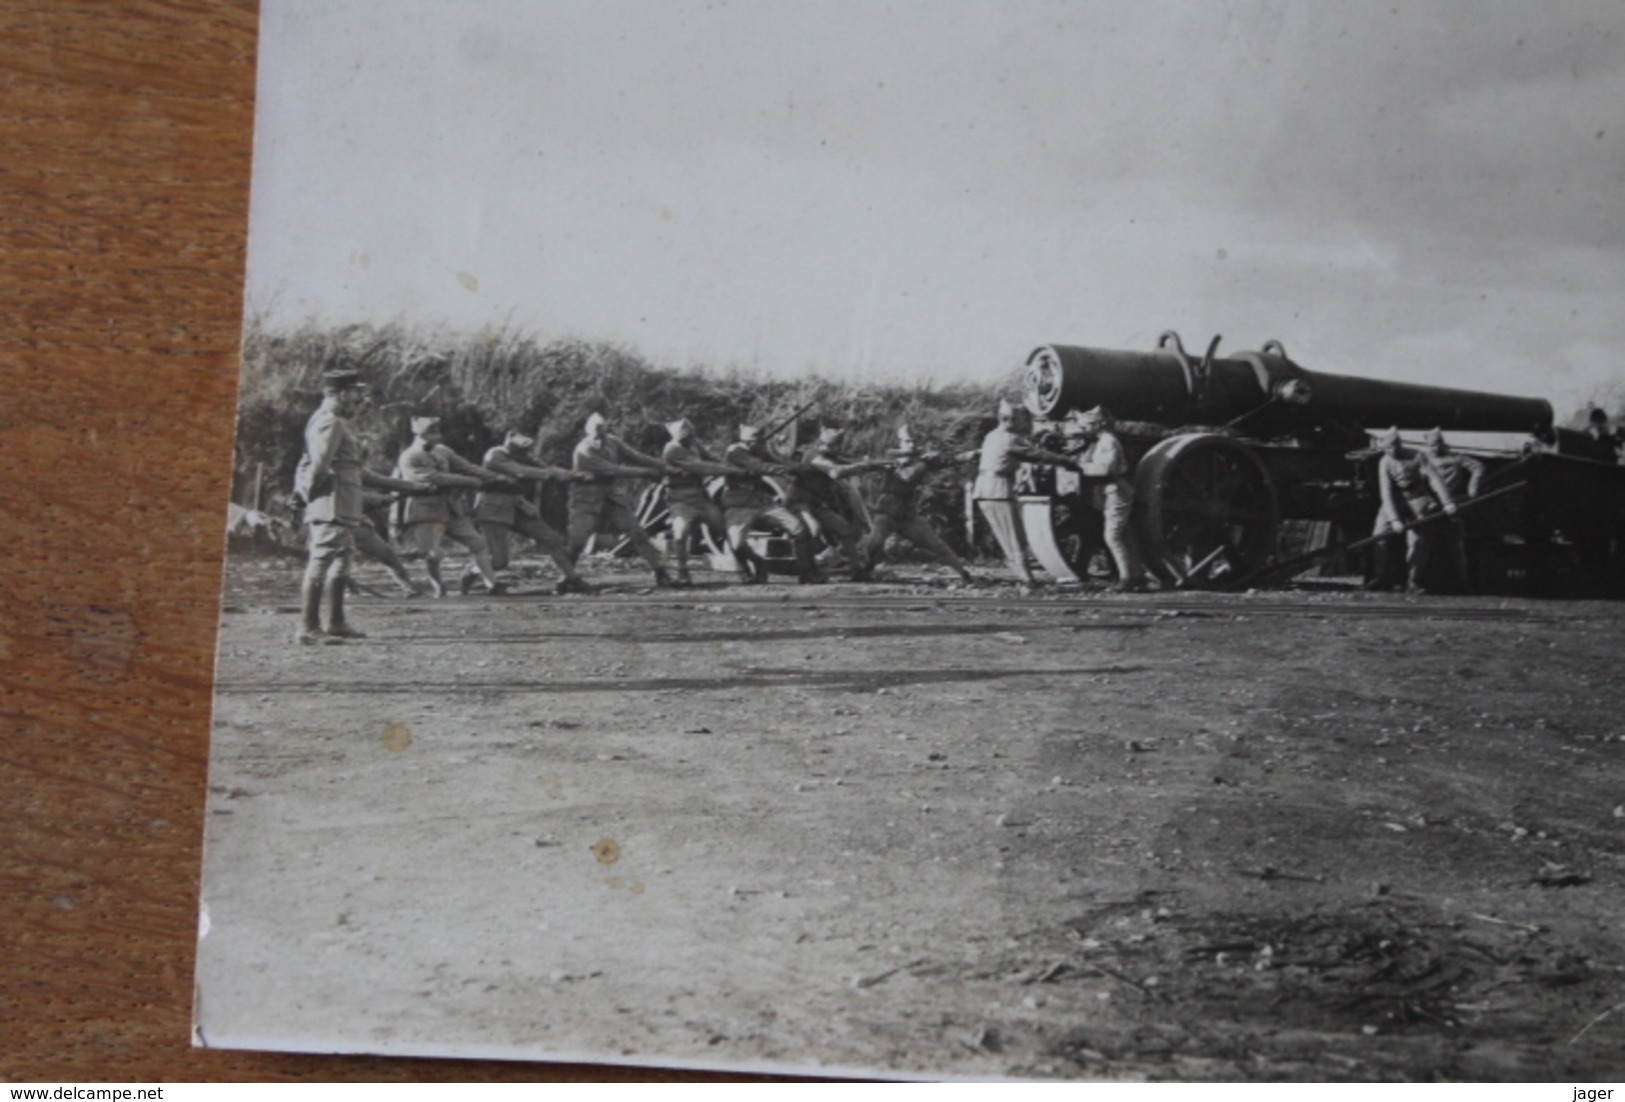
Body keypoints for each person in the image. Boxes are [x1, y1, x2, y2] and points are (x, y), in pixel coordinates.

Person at [291, 368, 426, 643]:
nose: (358, 398)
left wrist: (409, 487)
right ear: (340, 393)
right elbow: (319, 467)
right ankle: (307, 628)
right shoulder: (331, 422)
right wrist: (309, 495)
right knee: (322, 560)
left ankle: (336, 623)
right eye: (354, 393)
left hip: (343, 505)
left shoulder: (333, 421)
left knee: (341, 560)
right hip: (332, 504)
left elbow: (356, 472)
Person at [393, 416, 506, 598]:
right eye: (431, 433)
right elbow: (433, 477)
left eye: (436, 432)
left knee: (478, 543)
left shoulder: (442, 451)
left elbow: (467, 467)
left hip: (451, 507)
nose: (436, 436)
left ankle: (491, 585)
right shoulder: (409, 456)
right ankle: (439, 587)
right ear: (419, 434)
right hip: (426, 510)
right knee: (433, 554)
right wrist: (469, 481)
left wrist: (492, 477)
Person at [972, 399, 1081, 585]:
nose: (1025, 423)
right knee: (1013, 537)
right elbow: (1037, 454)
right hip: (998, 489)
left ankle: (1024, 576)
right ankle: (1027, 580)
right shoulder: (1011, 438)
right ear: (1009, 420)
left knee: (1007, 535)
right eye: (1023, 419)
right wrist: (1068, 461)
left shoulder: (991, 435)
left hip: (985, 489)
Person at [567, 411, 673, 587]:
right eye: (596, 433)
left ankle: (660, 572)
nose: (599, 437)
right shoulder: (583, 450)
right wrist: (645, 472)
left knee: (637, 533)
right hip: (586, 497)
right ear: (588, 432)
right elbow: (612, 469)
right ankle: (567, 577)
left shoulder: (613, 442)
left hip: (612, 496)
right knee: (578, 539)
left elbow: (636, 456)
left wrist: (661, 465)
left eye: (602, 431)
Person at [858, 425, 976, 583]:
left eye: (914, 441)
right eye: (907, 441)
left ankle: (963, 574)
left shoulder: (922, 459)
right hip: (886, 512)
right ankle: (862, 570)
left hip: (908, 514)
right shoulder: (893, 456)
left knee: (937, 545)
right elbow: (904, 474)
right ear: (901, 442)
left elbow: (950, 460)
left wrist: (968, 455)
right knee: (874, 543)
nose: (911, 445)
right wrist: (919, 462)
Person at [474, 429, 588, 593]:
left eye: (526, 450)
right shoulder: (494, 456)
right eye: (521, 450)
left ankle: (572, 578)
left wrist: (568, 474)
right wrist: (552, 474)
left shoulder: (524, 457)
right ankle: (473, 572)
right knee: (499, 561)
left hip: (519, 505)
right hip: (494, 507)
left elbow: (544, 467)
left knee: (551, 539)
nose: (525, 453)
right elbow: (521, 471)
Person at [1065, 406, 1155, 592]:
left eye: (1087, 425)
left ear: (1099, 424)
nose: (1084, 429)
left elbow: (1106, 469)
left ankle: (1126, 578)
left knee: (1112, 536)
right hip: (1112, 491)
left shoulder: (1108, 442)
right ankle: (1137, 576)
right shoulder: (1103, 441)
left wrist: (1079, 466)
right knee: (1126, 536)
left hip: (1116, 490)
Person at [722, 424, 822, 584]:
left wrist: (802, 468)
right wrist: (783, 470)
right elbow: (759, 466)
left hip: (761, 501)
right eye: (758, 442)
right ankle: (758, 563)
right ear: (749, 442)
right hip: (739, 503)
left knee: (798, 529)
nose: (761, 445)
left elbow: (779, 460)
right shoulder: (735, 452)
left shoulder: (757, 450)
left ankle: (806, 572)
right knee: (736, 544)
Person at [788, 425, 889, 579]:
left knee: (844, 530)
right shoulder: (813, 455)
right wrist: (864, 466)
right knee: (811, 531)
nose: (826, 448)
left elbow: (850, 462)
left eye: (831, 445)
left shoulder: (830, 455)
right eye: (825, 444)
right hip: (800, 503)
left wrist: (877, 465)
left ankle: (856, 569)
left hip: (816, 504)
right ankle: (807, 571)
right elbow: (836, 471)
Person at [1372, 426, 1458, 595]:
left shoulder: (1417, 455)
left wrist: (1447, 502)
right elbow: (1386, 492)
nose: (1392, 450)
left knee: (1419, 541)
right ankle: (1381, 577)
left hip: (1417, 497)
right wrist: (1394, 519)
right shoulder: (1384, 462)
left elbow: (1434, 479)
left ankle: (1413, 581)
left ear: (1400, 443)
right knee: (1379, 535)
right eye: (1388, 447)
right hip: (1395, 500)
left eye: (1395, 445)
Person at [660, 418, 737, 586]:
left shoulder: (694, 443)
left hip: (700, 496)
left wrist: (728, 463)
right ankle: (683, 572)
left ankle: (744, 566)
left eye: (691, 435)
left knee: (723, 528)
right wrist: (731, 470)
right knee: (681, 534)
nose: (690, 438)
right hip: (680, 499)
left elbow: (710, 458)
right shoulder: (672, 450)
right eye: (686, 436)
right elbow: (700, 466)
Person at [1423, 427, 1484, 592]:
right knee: (1427, 544)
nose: (1434, 448)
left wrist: (1473, 488)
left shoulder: (1456, 458)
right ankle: (1426, 583)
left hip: (1454, 504)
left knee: (1456, 545)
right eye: (1431, 445)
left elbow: (1478, 467)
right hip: (1433, 506)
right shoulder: (1424, 460)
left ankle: (1463, 583)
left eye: (1437, 444)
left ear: (1442, 444)